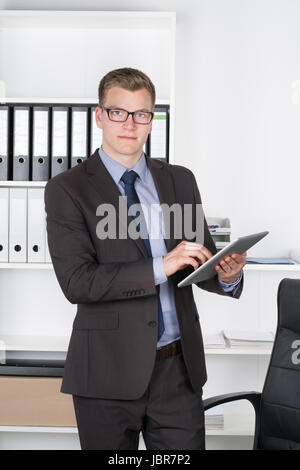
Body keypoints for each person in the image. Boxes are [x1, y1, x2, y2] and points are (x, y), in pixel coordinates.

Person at [44, 67, 246, 450]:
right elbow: (77, 282)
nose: (130, 124)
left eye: (141, 114)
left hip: (177, 372)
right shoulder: (67, 189)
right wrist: (160, 266)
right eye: (118, 112)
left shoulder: (179, 180)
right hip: (106, 373)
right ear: (100, 116)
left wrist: (226, 275)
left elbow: (198, 262)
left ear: (152, 121)